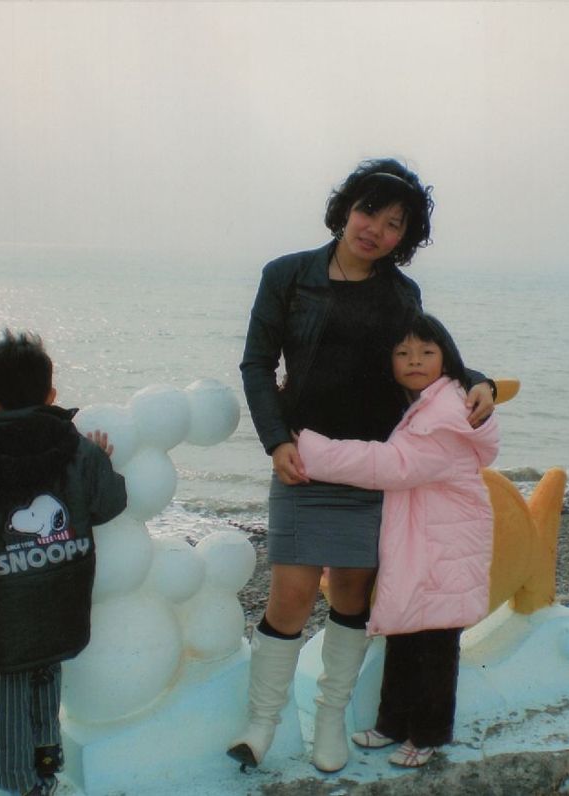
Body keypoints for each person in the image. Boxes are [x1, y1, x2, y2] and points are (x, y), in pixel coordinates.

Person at [231, 157, 496, 773]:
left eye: (395, 224)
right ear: (346, 209)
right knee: (291, 596)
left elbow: (425, 361)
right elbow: (257, 363)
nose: (376, 229)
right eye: (368, 211)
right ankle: (261, 723)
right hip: (302, 461)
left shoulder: (401, 295)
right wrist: (275, 440)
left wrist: (478, 380)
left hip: (371, 467)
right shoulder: (287, 275)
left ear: (405, 238)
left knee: (351, 594)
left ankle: (330, 719)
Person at [296, 311, 500, 768]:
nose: (414, 360)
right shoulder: (423, 402)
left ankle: (429, 735)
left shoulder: (446, 413)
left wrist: (310, 450)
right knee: (406, 636)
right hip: (424, 542)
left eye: (426, 351)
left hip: (446, 548)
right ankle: (392, 724)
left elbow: (393, 465)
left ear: (446, 357)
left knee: (435, 648)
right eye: (403, 352)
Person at [0, 330, 127, 796]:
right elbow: (109, 504)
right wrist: (100, 461)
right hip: (62, 608)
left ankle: (20, 784)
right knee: (46, 676)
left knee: (7, 696)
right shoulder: (80, 453)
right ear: (51, 395)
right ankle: (47, 767)